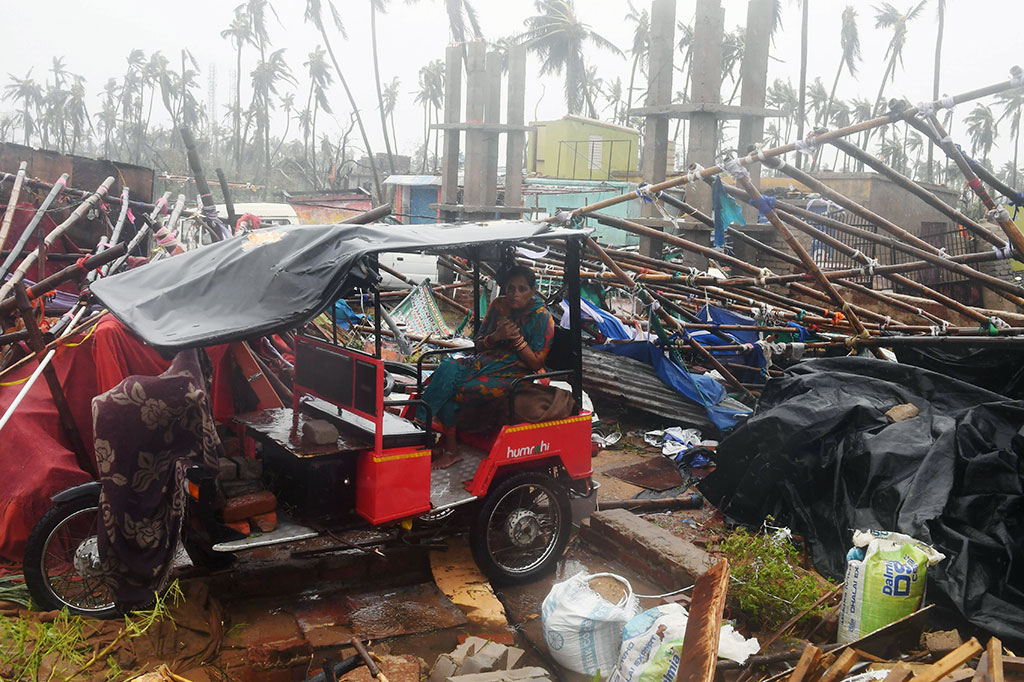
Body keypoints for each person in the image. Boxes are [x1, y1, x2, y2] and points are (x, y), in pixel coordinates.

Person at [420, 265, 554, 469]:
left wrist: (517, 339)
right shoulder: (499, 306)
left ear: (533, 291)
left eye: (522, 289)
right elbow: (479, 343)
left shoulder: (542, 316)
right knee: (447, 367)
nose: (515, 294)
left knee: (453, 391)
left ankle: (441, 443)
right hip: (485, 362)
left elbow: (536, 363)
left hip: (513, 372)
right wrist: (496, 337)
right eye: (510, 288)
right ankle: (423, 425)